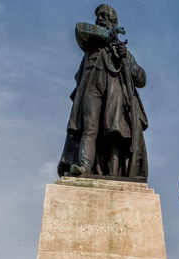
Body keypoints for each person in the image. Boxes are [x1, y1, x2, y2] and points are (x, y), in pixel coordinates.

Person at [58, 3, 148, 180]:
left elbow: (142, 78)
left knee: (114, 133)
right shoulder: (92, 40)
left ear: (113, 21)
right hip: (91, 88)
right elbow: (80, 29)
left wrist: (125, 59)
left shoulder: (123, 51)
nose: (101, 18)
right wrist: (109, 35)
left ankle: (114, 173)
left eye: (105, 16)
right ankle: (84, 166)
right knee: (88, 128)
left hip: (115, 94)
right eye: (99, 16)